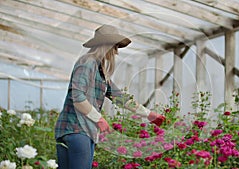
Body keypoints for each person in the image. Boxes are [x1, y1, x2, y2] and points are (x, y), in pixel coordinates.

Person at [55, 25, 166, 169]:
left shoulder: (100, 71)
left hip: (84, 131)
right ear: (106, 45)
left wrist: (149, 114)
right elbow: (77, 97)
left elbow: (120, 97)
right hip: (75, 129)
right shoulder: (87, 63)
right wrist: (99, 119)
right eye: (115, 47)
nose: (116, 52)